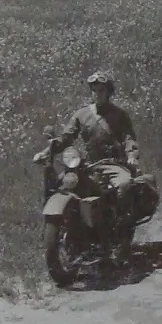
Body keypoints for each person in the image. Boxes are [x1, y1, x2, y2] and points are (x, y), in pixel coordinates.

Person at [34, 71, 145, 266]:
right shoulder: (82, 114)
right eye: (94, 90)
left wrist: (131, 155)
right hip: (89, 165)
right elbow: (67, 137)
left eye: (101, 90)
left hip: (114, 164)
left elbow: (129, 139)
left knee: (125, 186)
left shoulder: (119, 115)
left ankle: (122, 236)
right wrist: (47, 150)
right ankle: (77, 233)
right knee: (69, 186)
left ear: (108, 92)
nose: (97, 94)